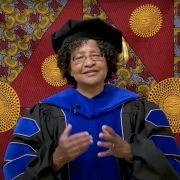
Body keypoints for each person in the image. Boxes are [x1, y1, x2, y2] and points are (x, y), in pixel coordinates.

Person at [2, 18, 180, 180]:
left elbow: (172, 168)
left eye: (96, 55)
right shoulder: (41, 115)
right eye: (78, 58)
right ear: (68, 68)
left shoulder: (143, 111)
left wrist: (132, 152)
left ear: (108, 61)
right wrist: (55, 160)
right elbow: (14, 171)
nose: (88, 63)